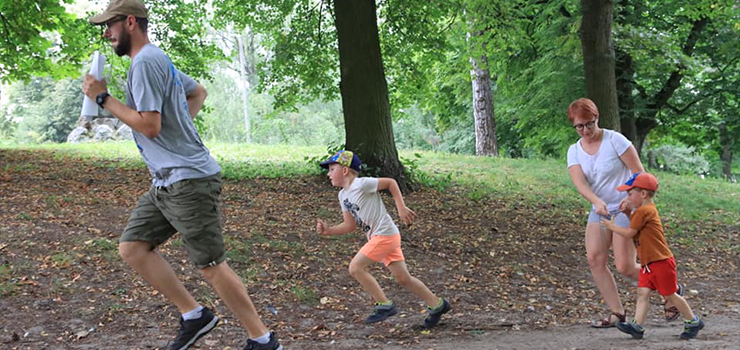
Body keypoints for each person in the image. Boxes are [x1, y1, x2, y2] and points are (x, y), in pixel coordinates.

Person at [81, 1, 282, 349]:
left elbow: (150, 125)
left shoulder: (144, 63)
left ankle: (263, 340)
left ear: (130, 22)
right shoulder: (156, 59)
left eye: (110, 25)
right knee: (133, 247)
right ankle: (195, 315)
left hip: (188, 181)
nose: (106, 33)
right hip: (167, 181)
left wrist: (103, 99)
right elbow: (197, 91)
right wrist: (180, 130)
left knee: (211, 265)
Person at [566, 98, 673, 328]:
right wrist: (596, 201)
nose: (585, 130)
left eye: (589, 124)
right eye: (579, 126)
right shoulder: (574, 150)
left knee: (625, 267)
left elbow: (639, 174)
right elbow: (580, 183)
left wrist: (629, 200)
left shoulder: (615, 141)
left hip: (625, 207)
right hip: (600, 209)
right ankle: (617, 312)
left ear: (597, 118)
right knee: (595, 258)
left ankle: (670, 290)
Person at [315, 150, 451, 327]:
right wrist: (329, 231)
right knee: (403, 278)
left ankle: (385, 305)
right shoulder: (343, 195)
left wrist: (401, 208)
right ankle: (437, 304)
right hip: (380, 237)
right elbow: (349, 225)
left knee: (356, 267)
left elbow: (390, 183)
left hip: (385, 234)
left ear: (345, 171)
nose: (328, 174)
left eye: (332, 169)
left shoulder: (361, 184)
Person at [601, 172, 704, 339]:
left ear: (643, 194)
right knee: (643, 293)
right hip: (648, 263)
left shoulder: (644, 211)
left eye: (630, 193)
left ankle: (693, 321)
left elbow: (629, 232)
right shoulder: (644, 210)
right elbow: (637, 226)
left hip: (660, 261)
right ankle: (637, 326)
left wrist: (611, 227)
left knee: (671, 294)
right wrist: (627, 214)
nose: (627, 197)